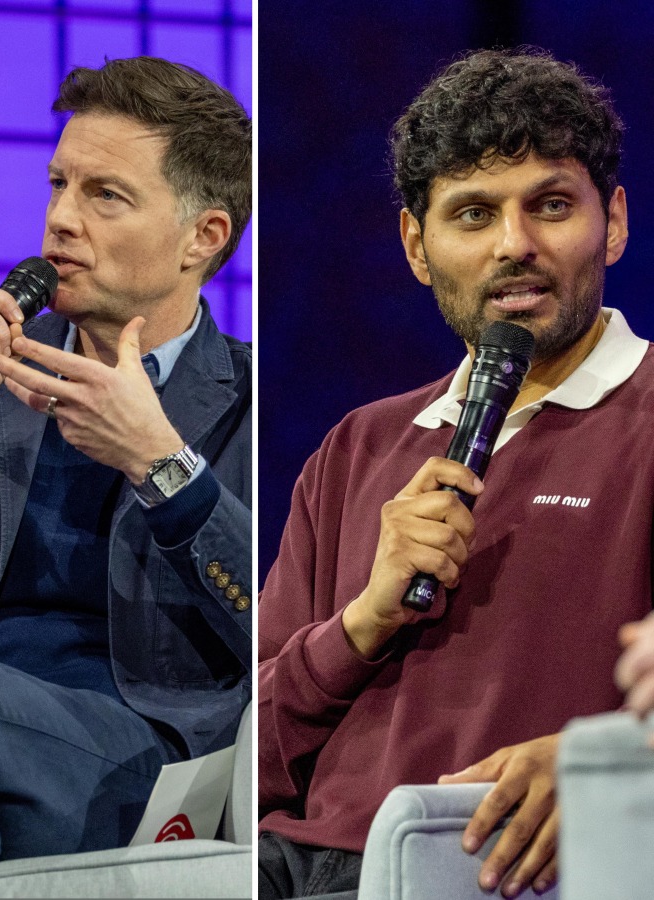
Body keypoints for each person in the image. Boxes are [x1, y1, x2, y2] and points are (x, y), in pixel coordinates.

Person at [258, 47, 654, 899]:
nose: (515, 245)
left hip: (482, 867)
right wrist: (360, 620)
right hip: (285, 863)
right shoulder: (357, 447)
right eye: (473, 215)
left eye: (550, 205)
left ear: (613, 223)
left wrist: (605, 764)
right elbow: (241, 757)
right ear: (417, 244)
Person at [0, 56, 252, 898]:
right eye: (58, 184)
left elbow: (282, 621)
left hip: (126, 746)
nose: (60, 220)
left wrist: (161, 463)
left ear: (203, 236)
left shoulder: (256, 396)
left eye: (105, 195)